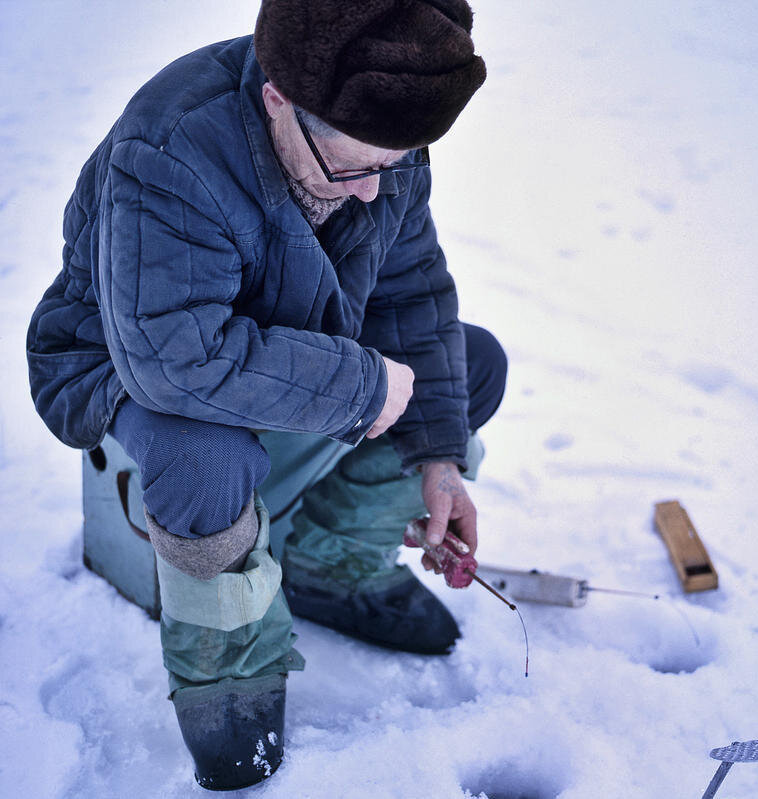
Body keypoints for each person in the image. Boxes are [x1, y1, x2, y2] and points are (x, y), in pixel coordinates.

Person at [25, 0, 506, 791]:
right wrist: (359, 387)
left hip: (274, 351)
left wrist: (440, 461)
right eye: (354, 169)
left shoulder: (371, 142)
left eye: (395, 166)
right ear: (279, 98)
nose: (370, 196)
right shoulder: (173, 148)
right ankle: (227, 680)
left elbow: (411, 292)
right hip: (119, 360)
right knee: (204, 454)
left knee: (469, 367)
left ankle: (327, 564)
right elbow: (173, 360)